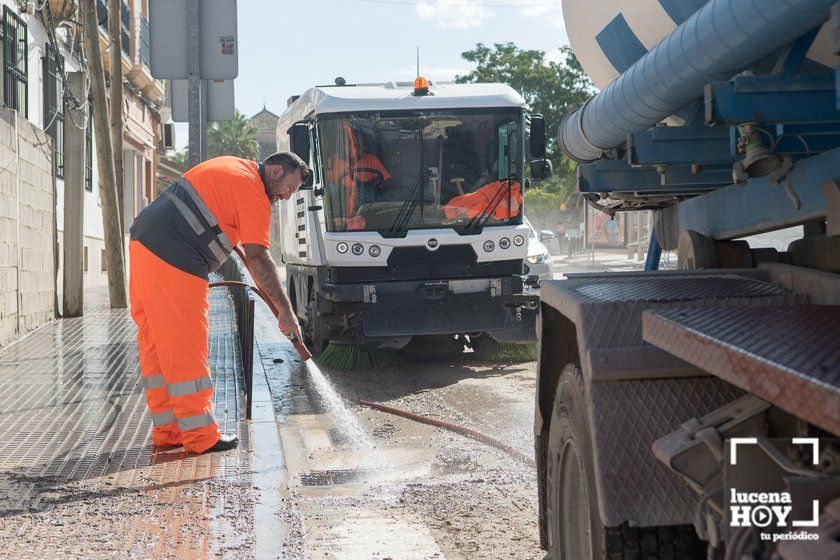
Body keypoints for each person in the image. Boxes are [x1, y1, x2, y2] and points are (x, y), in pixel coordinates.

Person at [129, 152, 310, 454]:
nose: (286, 197)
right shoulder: (254, 191)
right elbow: (258, 257)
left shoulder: (233, 167)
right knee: (185, 344)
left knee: (157, 345)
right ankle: (201, 436)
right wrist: (286, 312)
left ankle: (169, 430)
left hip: (143, 243)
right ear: (276, 170)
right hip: (177, 255)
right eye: (288, 189)